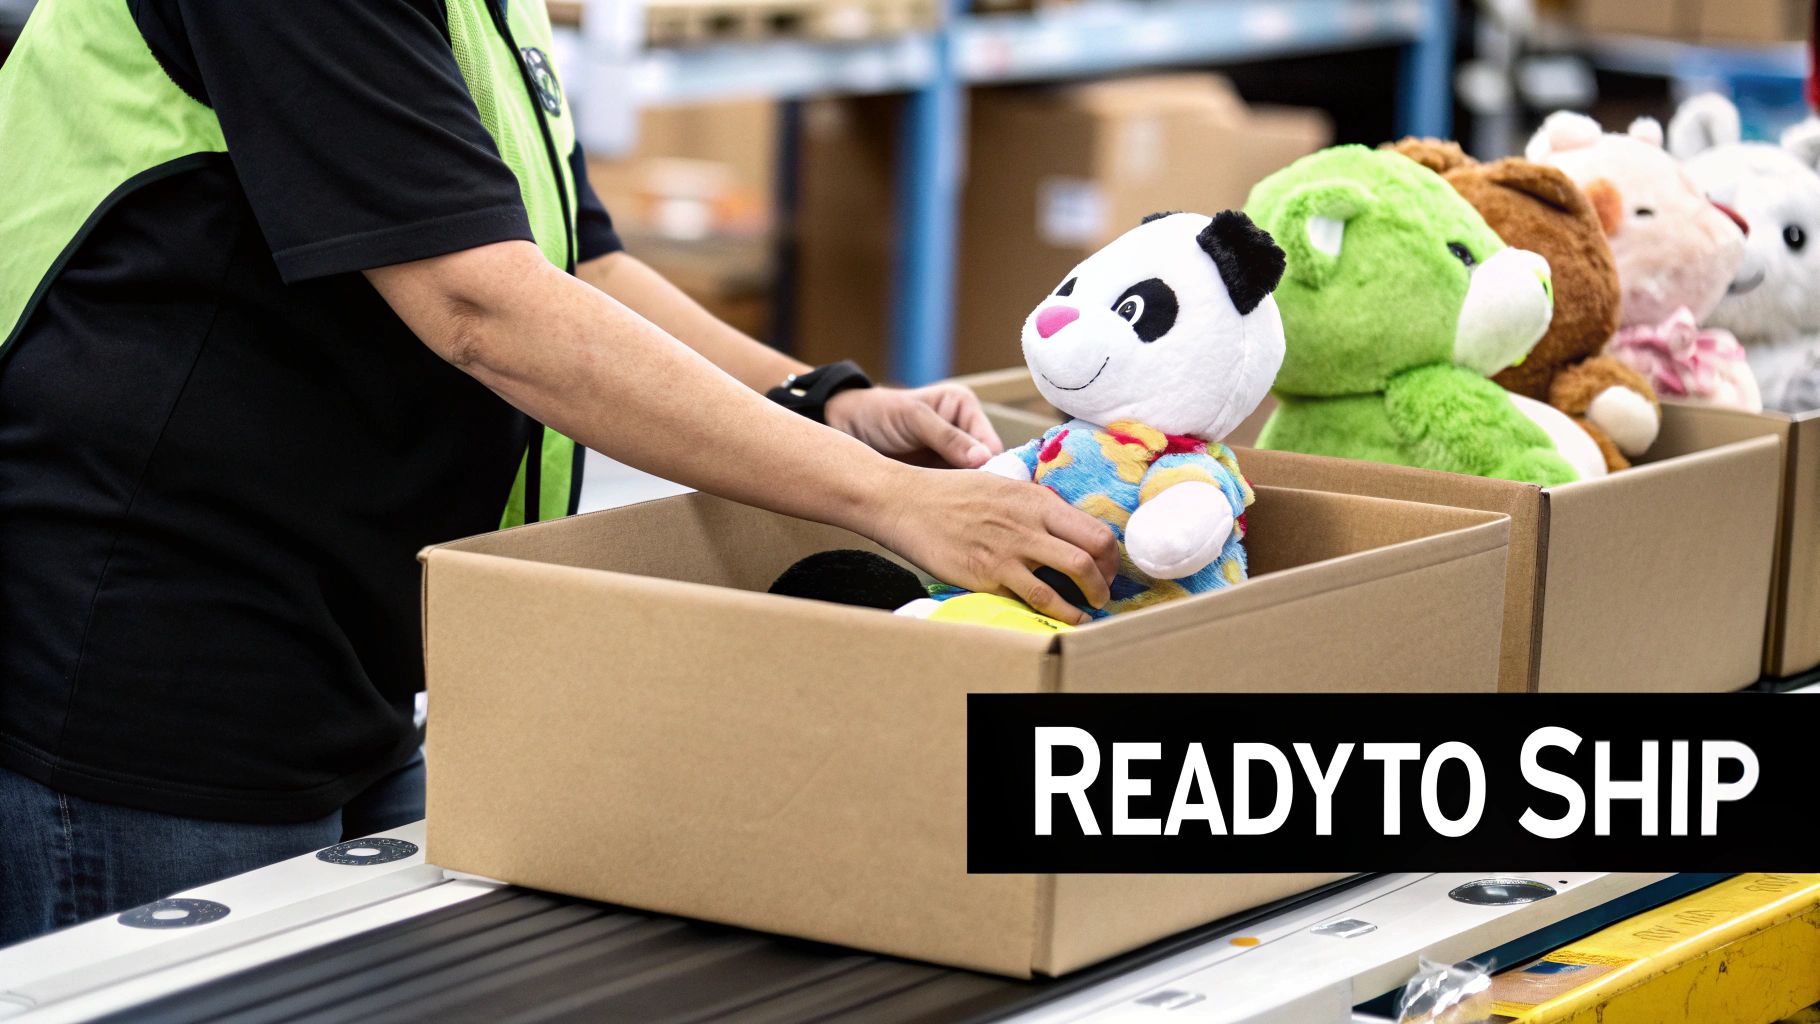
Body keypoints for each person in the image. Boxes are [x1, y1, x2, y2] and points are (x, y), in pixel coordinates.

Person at [0, 0, 1117, 946]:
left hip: (355, 630)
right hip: (158, 645)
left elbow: (574, 259)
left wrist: (821, 399)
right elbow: (481, 304)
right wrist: (893, 499)